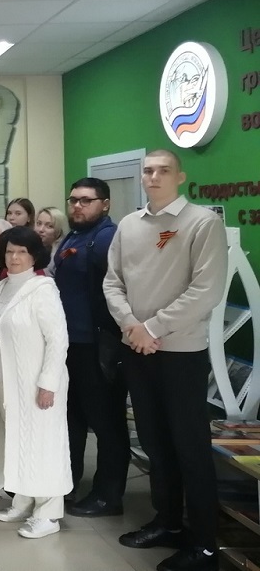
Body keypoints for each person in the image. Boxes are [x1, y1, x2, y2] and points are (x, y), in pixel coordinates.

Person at [104, 150, 227, 571]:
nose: (153, 177)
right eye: (148, 171)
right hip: (137, 350)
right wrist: (130, 325)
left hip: (180, 354)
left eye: (163, 171)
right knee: (154, 443)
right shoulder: (128, 225)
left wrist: (152, 327)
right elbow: (112, 282)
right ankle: (168, 522)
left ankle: (205, 546)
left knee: (189, 448)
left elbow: (206, 290)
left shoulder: (202, 223)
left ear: (180, 177)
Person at [0, 226, 71, 540]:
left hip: (36, 383)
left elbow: (58, 339)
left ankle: (48, 513)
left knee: (43, 443)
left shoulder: (42, 289)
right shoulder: (1, 287)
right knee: (16, 441)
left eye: (22, 252)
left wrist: (48, 383)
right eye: (9, 251)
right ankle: (23, 500)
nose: (14, 258)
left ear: (34, 256)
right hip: (6, 381)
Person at [54, 179, 130, 518]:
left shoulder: (107, 238)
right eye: (73, 200)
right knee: (71, 417)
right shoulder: (74, 235)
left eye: (86, 200)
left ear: (105, 204)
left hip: (97, 345)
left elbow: (120, 289)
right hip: (69, 344)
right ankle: (66, 482)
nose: (77, 206)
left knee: (106, 422)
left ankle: (108, 496)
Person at [35, 207, 67, 277]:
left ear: (59, 230)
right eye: (39, 223)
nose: (41, 229)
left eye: (49, 226)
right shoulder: (34, 246)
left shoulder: (63, 252)